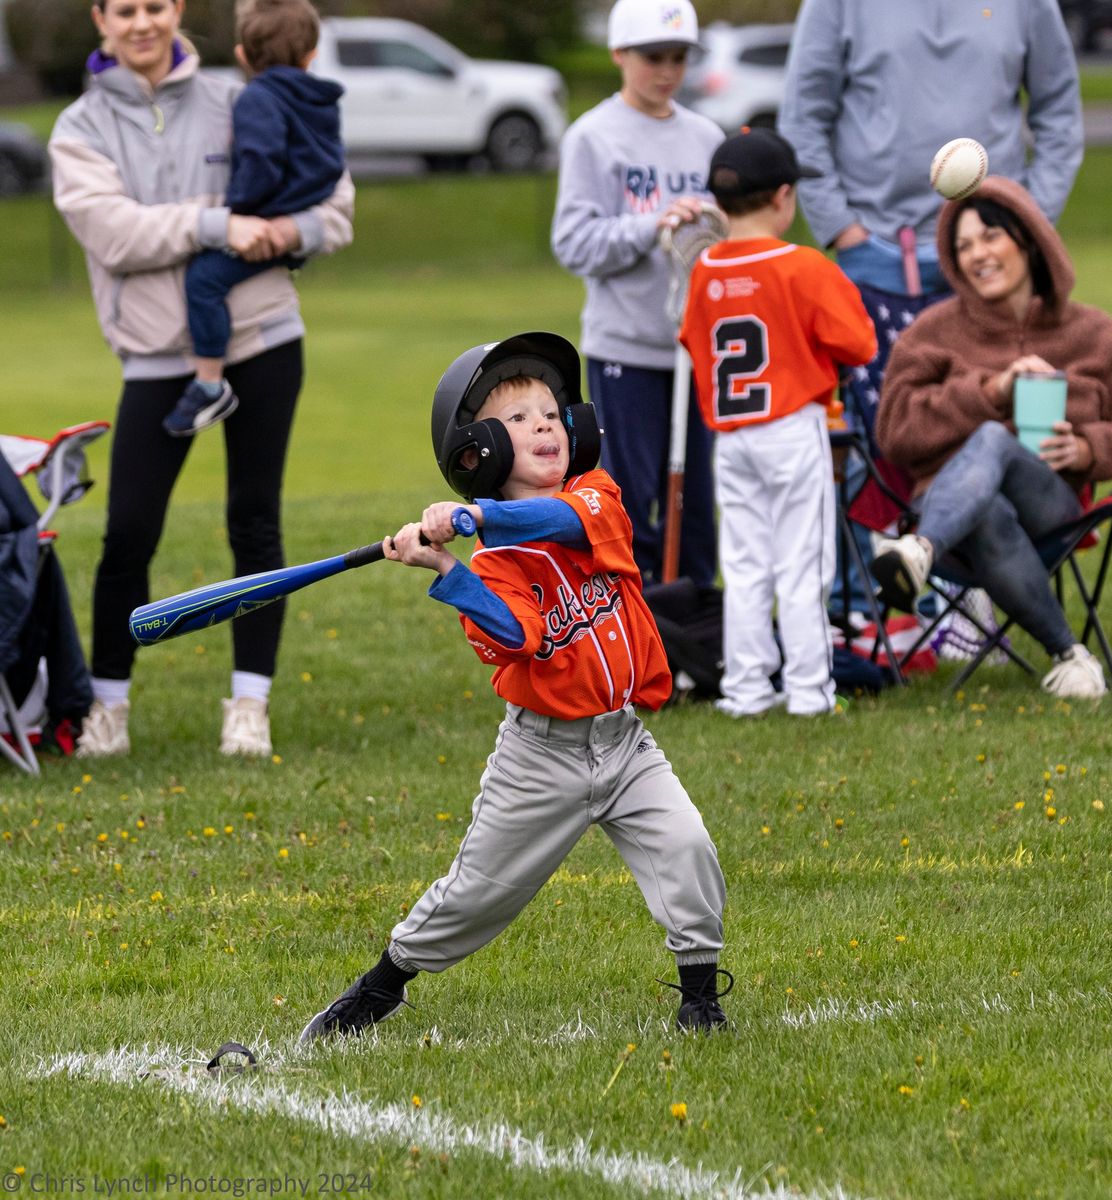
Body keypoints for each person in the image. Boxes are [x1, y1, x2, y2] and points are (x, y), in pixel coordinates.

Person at [300, 332, 731, 1040]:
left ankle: (701, 999)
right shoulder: (495, 563)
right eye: (521, 417)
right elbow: (515, 636)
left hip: (624, 743)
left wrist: (476, 516)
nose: (546, 426)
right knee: (475, 897)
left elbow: (559, 519)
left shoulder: (595, 498)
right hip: (541, 757)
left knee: (687, 850)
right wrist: (449, 572)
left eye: (553, 413)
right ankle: (380, 987)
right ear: (479, 452)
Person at [50, 0, 354, 757]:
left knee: (255, 522)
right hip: (156, 356)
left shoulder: (239, 96)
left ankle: (250, 706)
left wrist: (289, 232)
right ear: (101, 19)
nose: (142, 24)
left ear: (177, 10)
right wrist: (217, 225)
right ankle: (107, 709)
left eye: (156, 6)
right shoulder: (79, 129)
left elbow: (336, 203)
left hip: (262, 340)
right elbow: (115, 233)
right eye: (125, 10)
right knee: (129, 533)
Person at [777, 0, 1084, 618]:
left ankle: (973, 603)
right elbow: (803, 118)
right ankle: (863, 612)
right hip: (870, 261)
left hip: (984, 260)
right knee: (868, 444)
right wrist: (841, 227)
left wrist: (1024, 218)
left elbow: (1059, 112)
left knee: (987, 429)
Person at [871, 177, 1112, 700]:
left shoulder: (1092, 332)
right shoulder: (932, 332)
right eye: (963, 246)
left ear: (1029, 240)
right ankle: (1070, 657)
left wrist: (1089, 447)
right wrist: (989, 389)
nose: (977, 255)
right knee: (988, 507)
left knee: (994, 439)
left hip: (1051, 506)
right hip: (951, 510)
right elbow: (895, 432)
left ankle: (919, 550)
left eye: (990, 237)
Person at [678, 129, 875, 717]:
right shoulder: (804, 266)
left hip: (732, 438)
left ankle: (746, 689)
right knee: (803, 564)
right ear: (783, 197)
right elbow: (859, 342)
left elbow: (692, 342)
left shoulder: (705, 268)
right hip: (792, 428)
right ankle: (811, 692)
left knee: (744, 566)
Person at [552, 0, 722, 587]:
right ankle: (637, 629)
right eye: (654, 56)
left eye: (678, 57)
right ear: (620, 54)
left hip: (698, 351)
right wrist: (653, 227)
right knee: (630, 500)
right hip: (627, 348)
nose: (668, 70)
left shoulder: (706, 136)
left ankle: (702, 632)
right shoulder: (593, 138)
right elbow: (573, 243)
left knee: (697, 503)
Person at [164, 0, 344, 439]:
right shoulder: (321, 98)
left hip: (263, 217)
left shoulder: (256, 99)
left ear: (243, 55)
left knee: (204, 279)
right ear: (312, 53)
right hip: (302, 217)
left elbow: (260, 161)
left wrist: (236, 213)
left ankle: (209, 382)